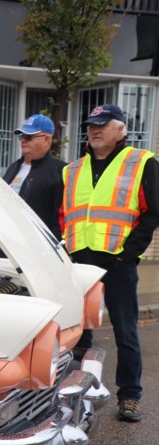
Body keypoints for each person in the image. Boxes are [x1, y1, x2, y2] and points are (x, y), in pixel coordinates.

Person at [62, 104, 159, 422]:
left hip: (117, 262)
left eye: (103, 124)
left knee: (126, 331)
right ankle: (74, 391)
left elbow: (153, 212)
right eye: (91, 124)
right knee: (78, 331)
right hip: (80, 262)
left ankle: (129, 396)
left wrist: (129, 254)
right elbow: (64, 215)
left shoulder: (141, 162)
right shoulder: (73, 169)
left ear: (121, 130)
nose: (94, 129)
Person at [0, 113, 66, 256]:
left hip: (38, 254)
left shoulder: (60, 171)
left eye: (29, 137)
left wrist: (57, 251)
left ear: (47, 139)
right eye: (21, 136)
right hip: (8, 248)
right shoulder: (14, 167)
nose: (23, 140)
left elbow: (61, 218)